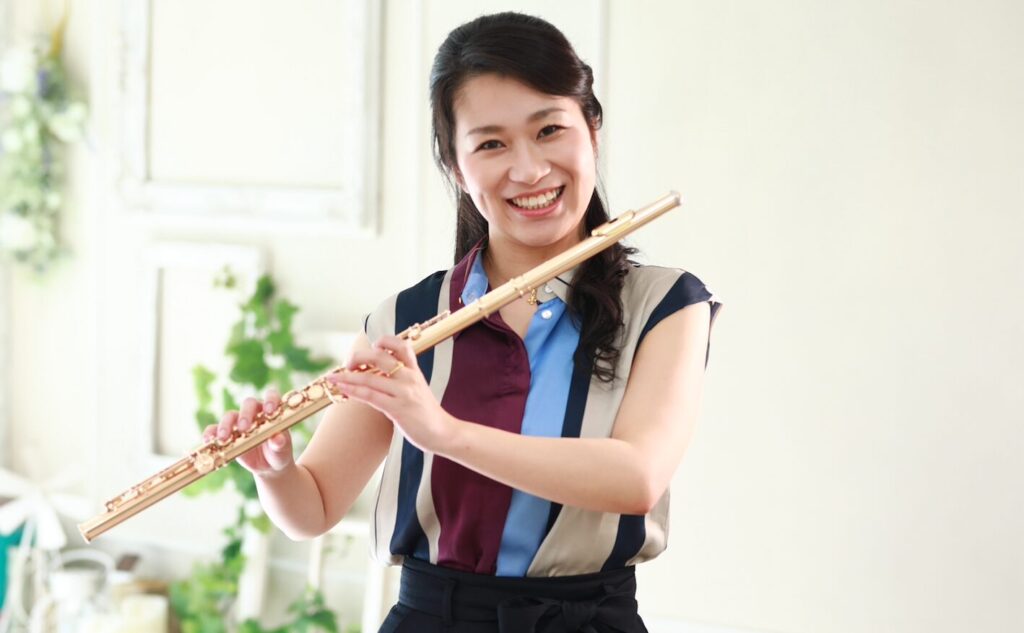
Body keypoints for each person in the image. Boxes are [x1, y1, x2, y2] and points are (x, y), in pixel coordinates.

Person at [203, 11, 722, 632]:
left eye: (549, 130)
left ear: (592, 129)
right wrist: (275, 471)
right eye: (492, 144)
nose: (529, 170)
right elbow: (312, 510)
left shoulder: (666, 304)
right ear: (455, 164)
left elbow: (636, 478)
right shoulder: (404, 319)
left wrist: (443, 432)